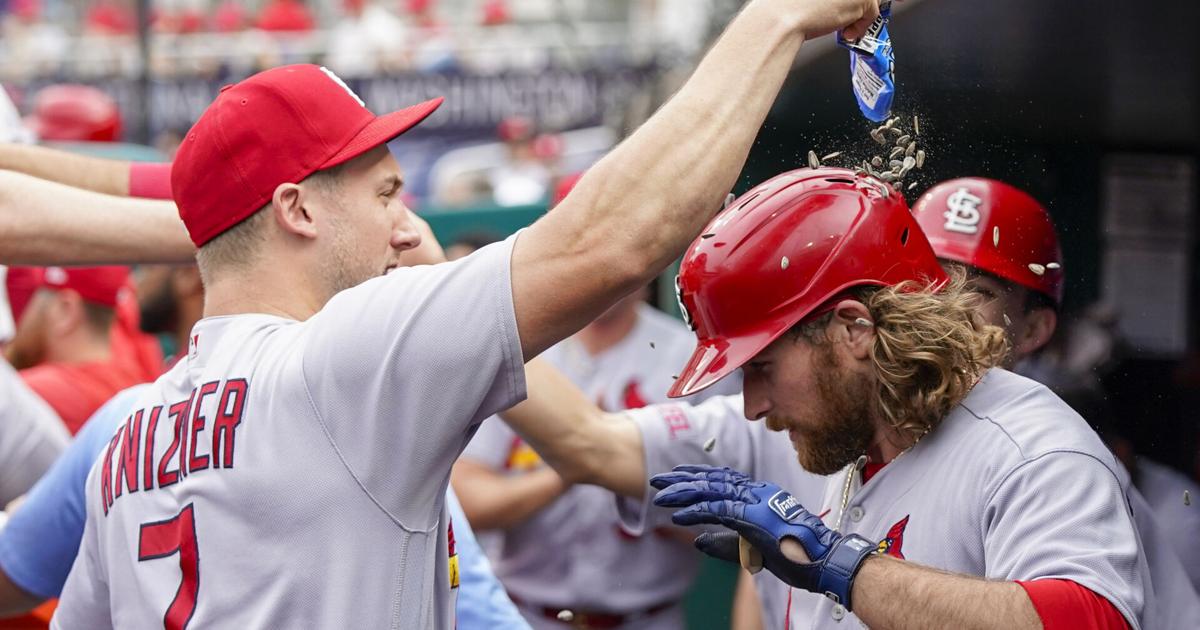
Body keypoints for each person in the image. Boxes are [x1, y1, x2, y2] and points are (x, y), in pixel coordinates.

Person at [53, 3, 884, 624]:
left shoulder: (129, 434)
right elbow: (613, 241)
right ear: (298, 211)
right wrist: (777, 18)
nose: (403, 223)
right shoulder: (335, 360)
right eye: (383, 192)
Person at [499, 168, 1149, 629]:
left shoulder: (1029, 448)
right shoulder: (832, 422)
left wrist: (839, 566)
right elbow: (589, 442)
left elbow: (1092, 621)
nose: (751, 403)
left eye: (764, 368)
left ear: (854, 331)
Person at [454, 180, 741, 629]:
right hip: (526, 613)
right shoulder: (520, 350)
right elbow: (467, 500)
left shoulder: (694, 358)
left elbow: (733, 527)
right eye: (587, 242)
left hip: (648, 618)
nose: (604, 260)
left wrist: (625, 467)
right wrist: (577, 463)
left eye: (621, 238)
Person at [912, 177, 1200, 612]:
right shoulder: (822, 419)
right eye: (928, 277)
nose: (942, 308)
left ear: (1033, 330)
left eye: (978, 292)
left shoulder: (1054, 458)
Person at [5, 265, 158, 433]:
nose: (23, 318)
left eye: (31, 301)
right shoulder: (136, 375)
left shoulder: (40, 391)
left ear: (65, 310)